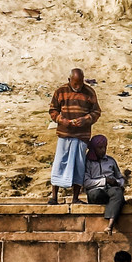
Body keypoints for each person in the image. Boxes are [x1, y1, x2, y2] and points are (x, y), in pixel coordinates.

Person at [46, 68, 100, 205]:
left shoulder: (89, 92)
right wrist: (60, 119)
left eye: (80, 83)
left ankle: (75, 197)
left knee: (79, 165)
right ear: (69, 80)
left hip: (82, 136)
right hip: (65, 134)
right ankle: (54, 197)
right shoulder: (60, 91)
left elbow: (96, 112)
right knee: (59, 163)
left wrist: (86, 119)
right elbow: (53, 110)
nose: (78, 87)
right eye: (75, 84)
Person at [82, 135, 127, 231]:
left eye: (105, 147)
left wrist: (118, 183)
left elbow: (120, 177)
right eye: (100, 148)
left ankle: (110, 224)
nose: (103, 150)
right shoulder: (88, 162)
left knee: (117, 192)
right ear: (94, 149)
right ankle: (115, 203)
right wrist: (104, 181)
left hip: (111, 189)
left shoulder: (110, 161)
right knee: (96, 194)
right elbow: (86, 182)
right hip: (95, 191)